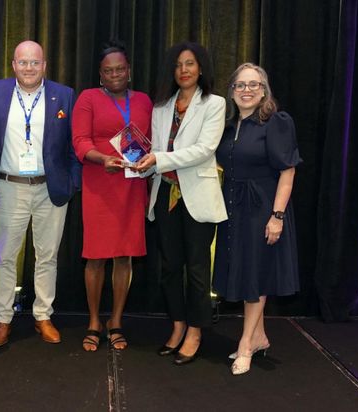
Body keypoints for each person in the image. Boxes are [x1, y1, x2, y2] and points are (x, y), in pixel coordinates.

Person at [0, 40, 80, 347]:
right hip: (9, 187)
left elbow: (74, 144)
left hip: (50, 188)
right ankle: (3, 318)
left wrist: (72, 182)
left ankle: (42, 315)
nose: (28, 68)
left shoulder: (63, 94)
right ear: (13, 65)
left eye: (34, 62)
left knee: (47, 256)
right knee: (5, 257)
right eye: (22, 62)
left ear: (44, 65)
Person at [136, 42, 226, 365]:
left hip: (196, 196)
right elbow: (154, 149)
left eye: (190, 64)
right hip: (165, 196)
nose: (184, 70)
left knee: (198, 269)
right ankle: (177, 325)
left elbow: (204, 149)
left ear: (201, 68)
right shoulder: (161, 107)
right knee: (170, 267)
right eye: (178, 65)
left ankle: (196, 331)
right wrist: (139, 160)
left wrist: (158, 158)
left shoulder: (214, 104)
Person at [213, 63, 301, 375]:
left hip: (263, 208)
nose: (247, 90)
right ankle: (260, 336)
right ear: (232, 90)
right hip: (234, 209)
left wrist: (276, 216)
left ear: (263, 90)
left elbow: (287, 172)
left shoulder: (275, 122)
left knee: (255, 277)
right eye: (240, 85)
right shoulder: (229, 125)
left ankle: (246, 345)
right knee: (247, 272)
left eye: (254, 84)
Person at [72, 40, 152, 351]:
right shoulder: (88, 98)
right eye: (108, 71)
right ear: (100, 75)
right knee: (95, 257)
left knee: (124, 255)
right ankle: (94, 320)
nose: (115, 74)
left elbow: (154, 140)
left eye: (120, 69)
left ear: (129, 71)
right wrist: (101, 158)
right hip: (99, 184)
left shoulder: (145, 101)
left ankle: (115, 320)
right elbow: (79, 141)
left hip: (132, 186)